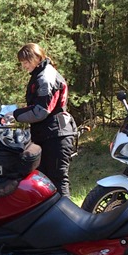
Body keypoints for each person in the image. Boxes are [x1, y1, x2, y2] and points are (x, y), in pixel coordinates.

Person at [9, 43, 77, 197]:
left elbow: (41, 111)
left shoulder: (46, 76)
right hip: (47, 134)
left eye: (26, 62)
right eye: (22, 63)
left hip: (57, 135)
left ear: (37, 58)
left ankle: (66, 211)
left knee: (58, 179)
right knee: (43, 180)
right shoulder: (40, 74)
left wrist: (15, 114)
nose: (24, 66)